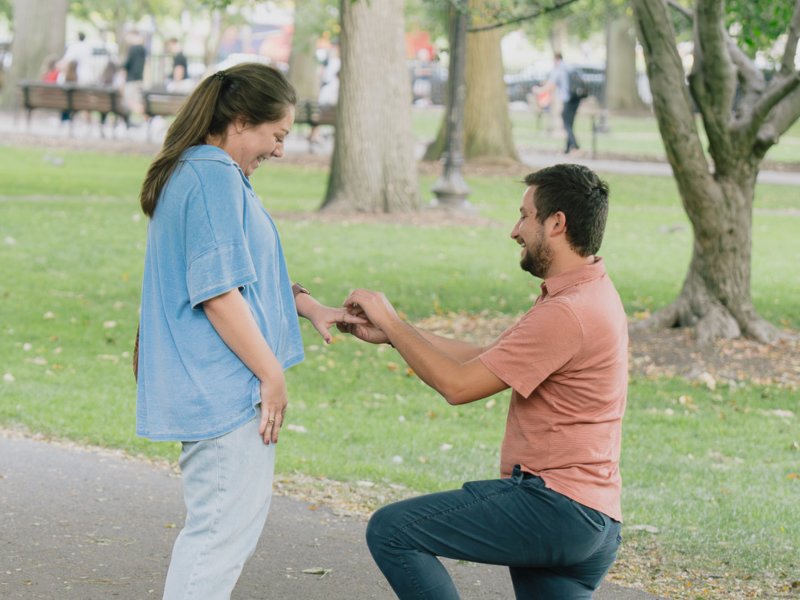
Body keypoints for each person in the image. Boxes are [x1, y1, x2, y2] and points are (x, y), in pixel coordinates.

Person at [341, 164, 628, 599]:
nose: (515, 231)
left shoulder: (567, 312)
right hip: (593, 518)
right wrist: (395, 335)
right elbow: (487, 360)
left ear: (556, 223)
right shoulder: (586, 292)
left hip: (555, 508)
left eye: (524, 216)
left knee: (394, 530)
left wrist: (395, 323)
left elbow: (458, 386)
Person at [135, 63, 363, 600]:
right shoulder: (212, 175)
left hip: (216, 387)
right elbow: (217, 292)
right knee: (217, 541)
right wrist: (271, 374)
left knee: (220, 536)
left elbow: (243, 269)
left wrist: (309, 306)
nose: (280, 150)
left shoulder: (199, 171)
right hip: (226, 392)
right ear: (240, 121)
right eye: (276, 136)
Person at [539, 52, 582, 154]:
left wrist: (538, 90)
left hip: (568, 99)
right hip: (576, 98)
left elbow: (551, 85)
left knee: (566, 122)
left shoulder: (558, 69)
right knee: (569, 123)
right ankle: (568, 148)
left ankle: (575, 145)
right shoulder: (570, 67)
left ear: (556, 59)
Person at [122, 31, 147, 120]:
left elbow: (125, 66)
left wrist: (122, 82)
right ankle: (148, 118)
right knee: (137, 102)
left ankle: (148, 118)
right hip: (139, 79)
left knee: (128, 102)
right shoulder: (143, 49)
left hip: (131, 80)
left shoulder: (132, 49)